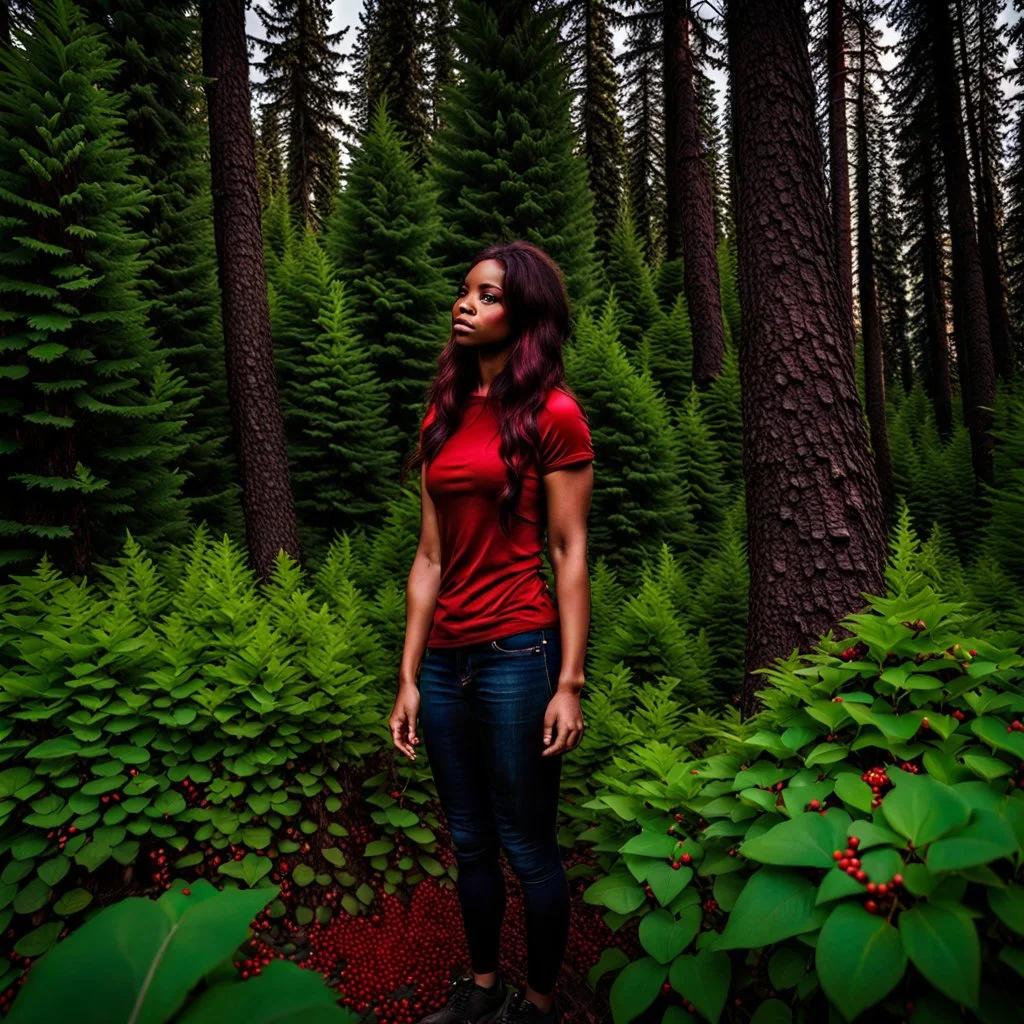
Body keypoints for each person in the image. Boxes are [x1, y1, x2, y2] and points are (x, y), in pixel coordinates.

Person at [390, 240, 595, 1024]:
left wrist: (569, 682)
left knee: (526, 844)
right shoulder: (443, 412)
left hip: (519, 652)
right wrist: (409, 675)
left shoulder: (554, 412)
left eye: (487, 295)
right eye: (465, 292)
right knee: (469, 838)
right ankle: (482, 993)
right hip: (445, 661)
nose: (464, 304)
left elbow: (570, 551)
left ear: (526, 315)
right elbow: (428, 554)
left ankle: (538, 1006)